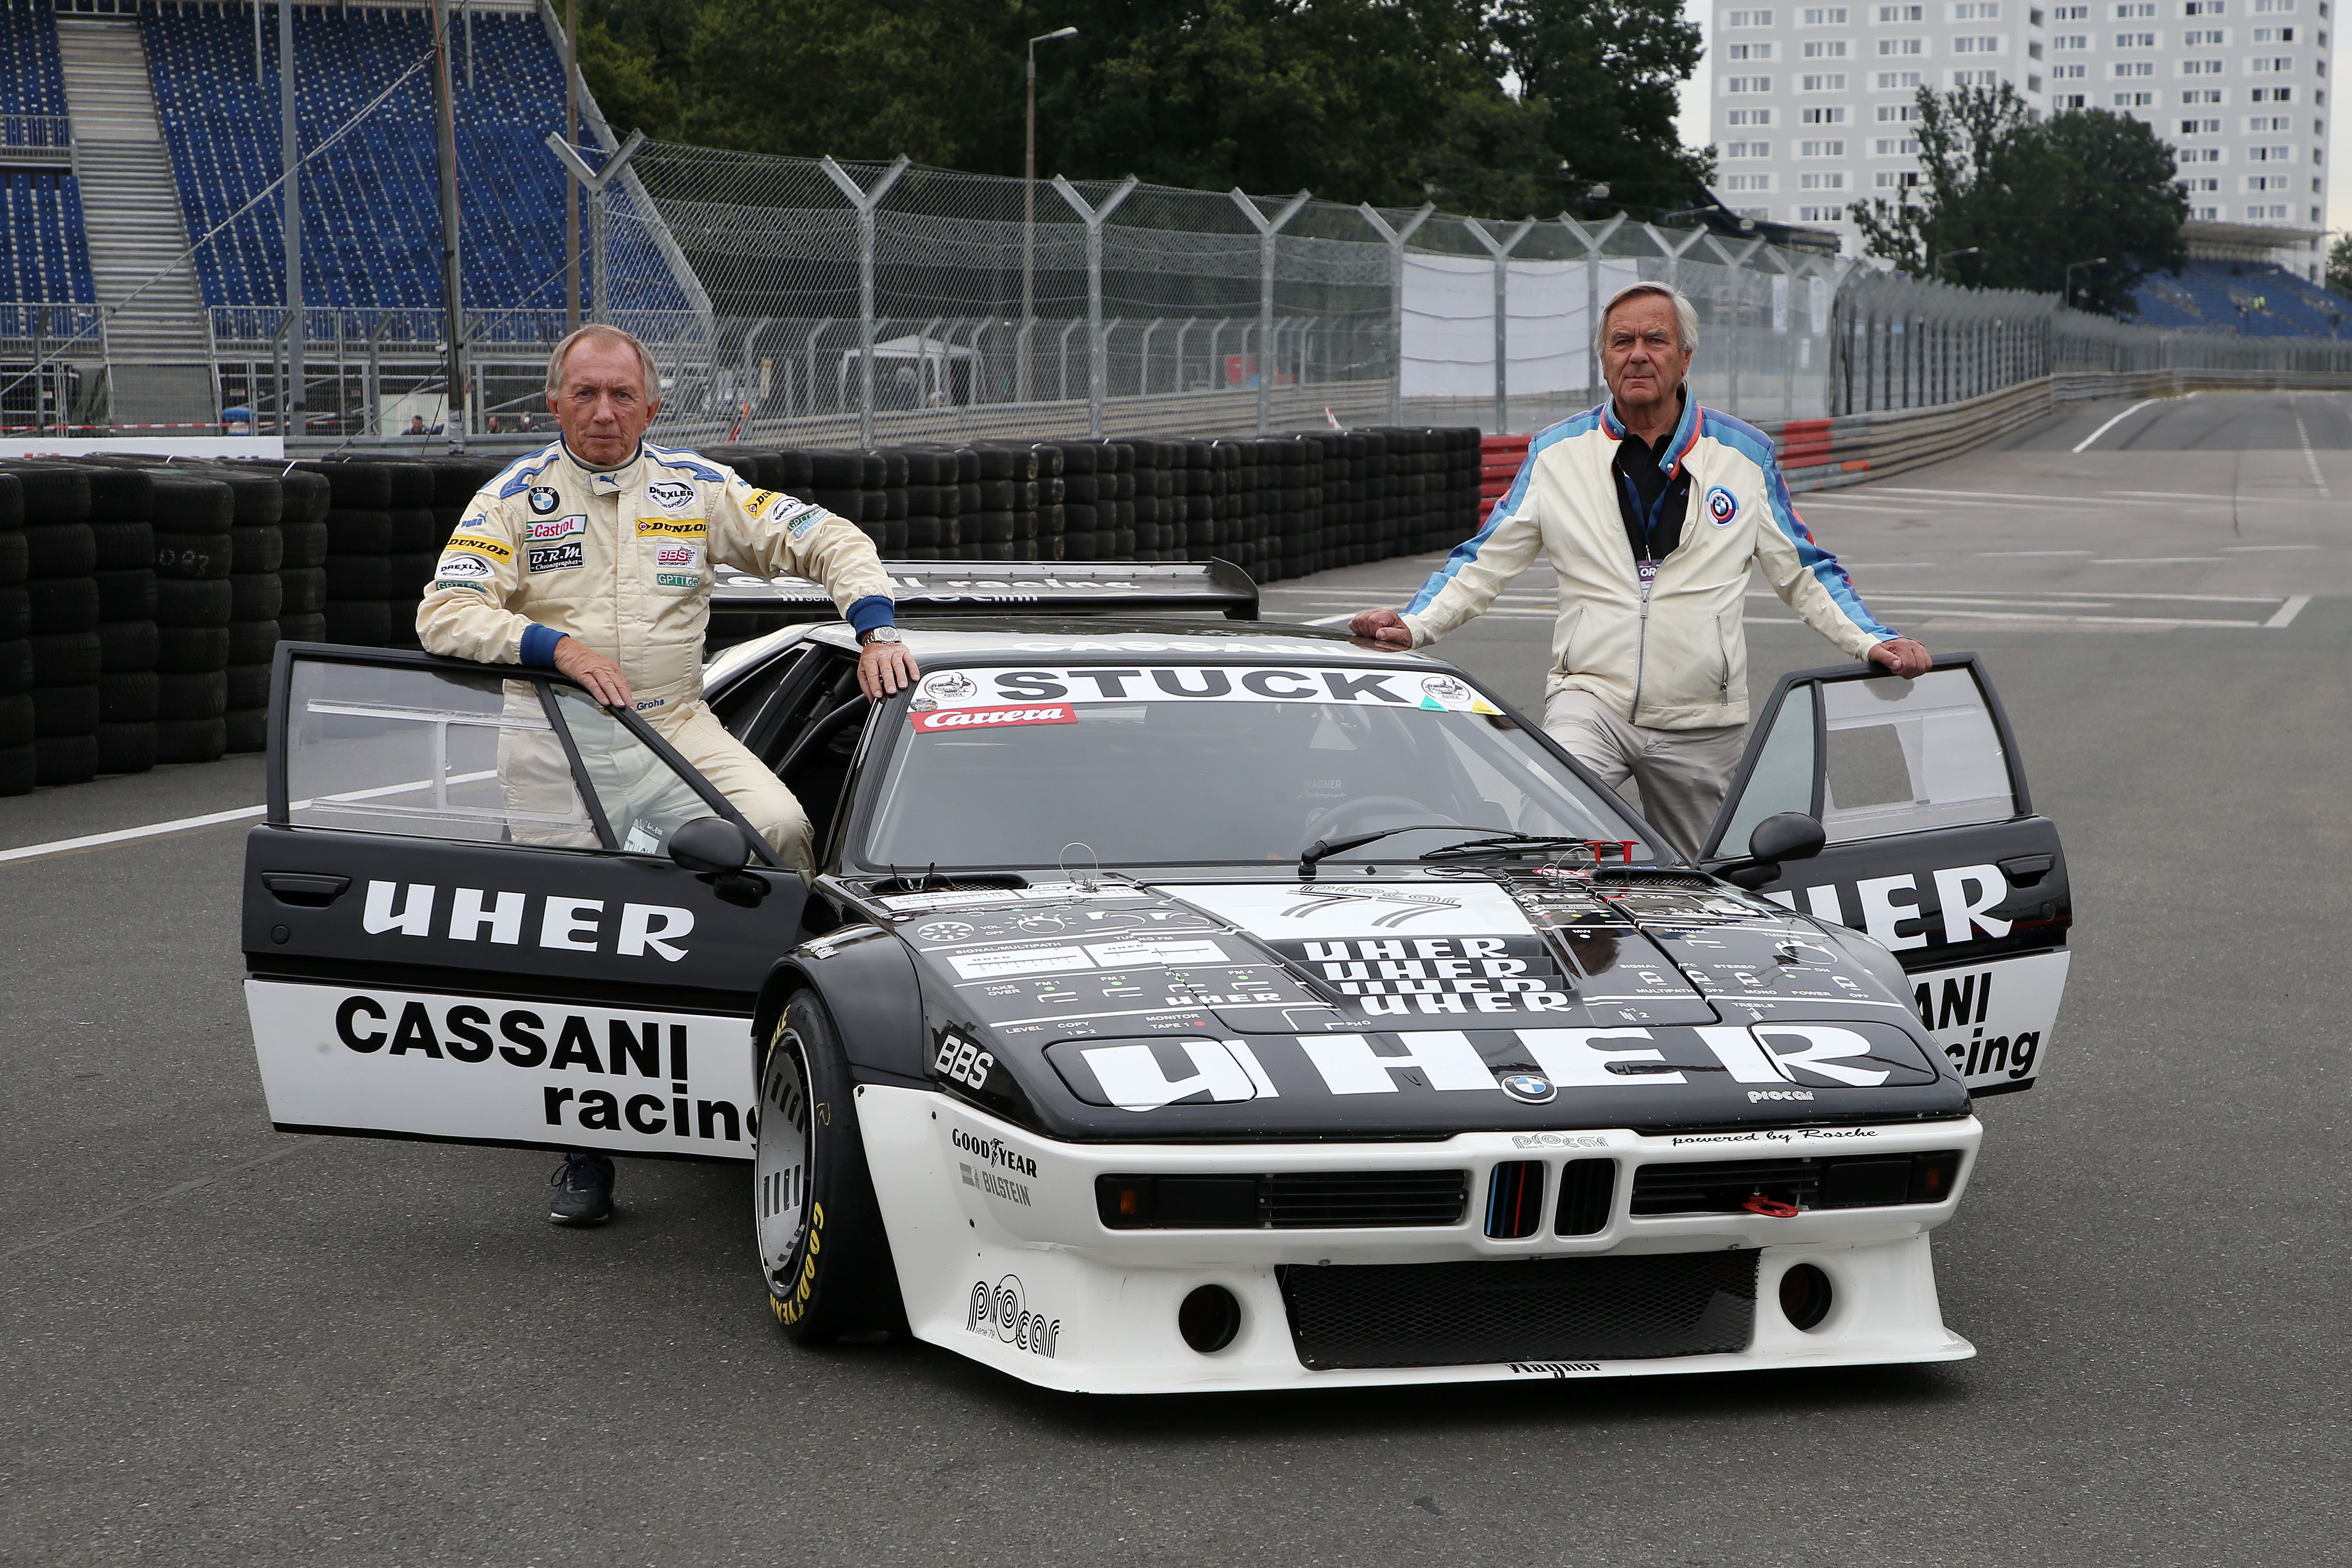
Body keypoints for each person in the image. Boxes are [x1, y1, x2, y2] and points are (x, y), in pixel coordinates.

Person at [417, 321, 920, 1226]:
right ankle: (584, 1148)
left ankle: (782, 1055)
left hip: (674, 725)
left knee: (781, 834)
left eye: (622, 395)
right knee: (571, 943)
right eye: (585, 394)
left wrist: (876, 627)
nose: (604, 412)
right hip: (555, 740)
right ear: (554, 403)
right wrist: (553, 647)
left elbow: (829, 538)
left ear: (652, 406)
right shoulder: (512, 499)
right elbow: (445, 613)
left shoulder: (697, 487)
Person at [1351, 281, 1930, 862]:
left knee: (1702, 880)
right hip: (1589, 700)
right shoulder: (1556, 453)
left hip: (1703, 719)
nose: (1638, 355)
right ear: (1604, 359)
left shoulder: (1744, 455)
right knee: (1554, 841)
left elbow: (1804, 571)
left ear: (1685, 357)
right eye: (1621, 342)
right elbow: (1485, 559)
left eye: (1656, 340)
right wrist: (1414, 623)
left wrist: (1874, 639)